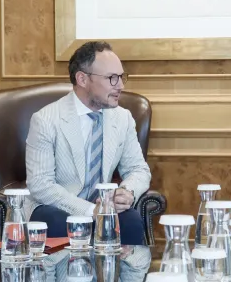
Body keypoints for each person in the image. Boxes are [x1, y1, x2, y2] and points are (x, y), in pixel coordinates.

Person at [25, 41, 152, 246]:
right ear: (82, 79)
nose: (120, 85)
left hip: (105, 206)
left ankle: (124, 268)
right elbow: (40, 184)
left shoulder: (123, 118)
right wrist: (90, 210)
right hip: (59, 208)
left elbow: (138, 169)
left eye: (122, 77)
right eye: (112, 78)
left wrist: (127, 192)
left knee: (131, 222)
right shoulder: (46, 120)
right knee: (55, 221)